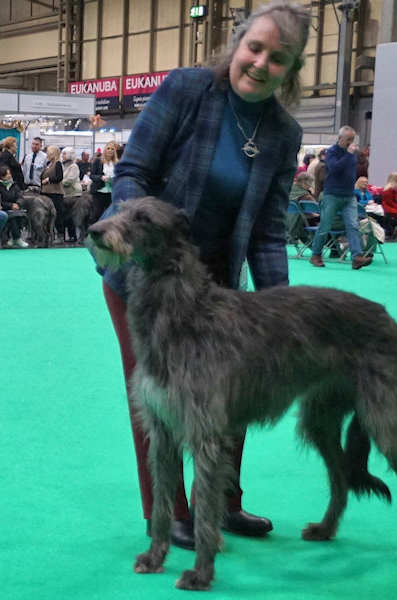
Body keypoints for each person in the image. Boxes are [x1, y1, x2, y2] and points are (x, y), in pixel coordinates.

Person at [92, 0, 311, 551]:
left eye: (278, 58)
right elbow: (134, 171)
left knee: (232, 394)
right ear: (237, 44)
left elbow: (266, 231)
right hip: (146, 278)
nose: (260, 63)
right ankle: (168, 512)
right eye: (254, 48)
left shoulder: (283, 132)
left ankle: (223, 503)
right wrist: (136, 233)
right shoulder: (188, 89)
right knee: (159, 398)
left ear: (291, 70)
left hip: (216, 286)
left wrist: (279, 307)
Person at [308, 126, 371, 269]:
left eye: (352, 139)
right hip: (332, 195)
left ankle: (357, 257)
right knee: (325, 226)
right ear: (339, 138)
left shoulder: (352, 154)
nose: (350, 142)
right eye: (348, 139)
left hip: (349, 195)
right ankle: (316, 254)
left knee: (353, 226)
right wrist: (348, 155)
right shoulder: (332, 152)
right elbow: (334, 168)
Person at [0, 165, 29, 248]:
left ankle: (13, 238)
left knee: (18, 215)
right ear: (1, 176)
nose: (9, 176)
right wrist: (10, 205)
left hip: (16, 209)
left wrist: (18, 204)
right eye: (6, 174)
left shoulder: (14, 185)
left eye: (9, 174)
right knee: (12, 217)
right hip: (3, 209)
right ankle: (17, 238)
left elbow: (20, 197)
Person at [41, 145, 66, 243]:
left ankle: (60, 235)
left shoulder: (58, 164)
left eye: (48, 152)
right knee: (47, 215)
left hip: (55, 193)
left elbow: (59, 177)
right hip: (46, 192)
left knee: (58, 214)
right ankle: (48, 235)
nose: (46, 154)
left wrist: (49, 180)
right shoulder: (48, 164)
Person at [89, 141, 117, 224]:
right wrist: (101, 177)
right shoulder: (98, 161)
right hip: (99, 191)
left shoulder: (116, 163)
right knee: (96, 213)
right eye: (108, 148)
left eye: (112, 149)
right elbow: (92, 175)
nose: (110, 150)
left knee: (111, 214)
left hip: (111, 191)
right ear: (105, 150)